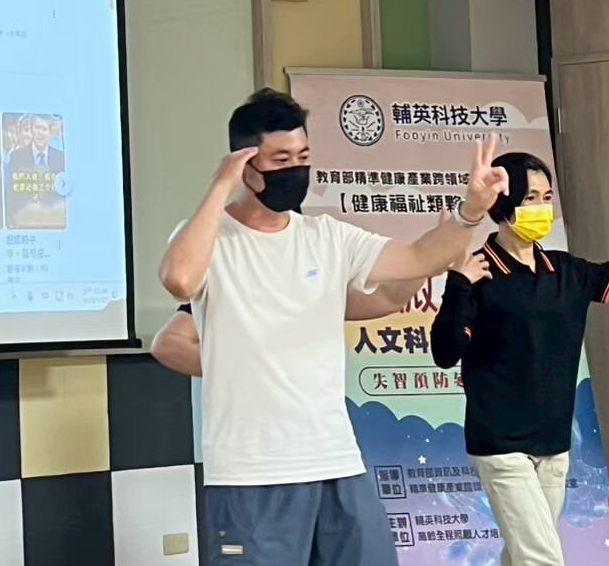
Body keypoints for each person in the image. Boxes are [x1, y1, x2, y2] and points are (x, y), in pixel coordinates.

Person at [159, 89, 507, 566]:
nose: (296, 170)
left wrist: (471, 211)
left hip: (336, 460)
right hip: (251, 471)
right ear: (244, 164)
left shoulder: (327, 236)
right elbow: (179, 279)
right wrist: (220, 186)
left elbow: (420, 257)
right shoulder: (209, 237)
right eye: (281, 159)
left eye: (303, 156)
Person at [431, 148, 609, 566]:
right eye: (530, 197)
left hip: (553, 445)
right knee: (541, 559)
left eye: (547, 197)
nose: (541, 208)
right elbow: (445, 352)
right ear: (503, 204)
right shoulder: (478, 272)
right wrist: (459, 282)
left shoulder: (568, 271)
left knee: (522, 557)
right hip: (501, 446)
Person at [151, 277, 425, 377]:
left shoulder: (311, 287)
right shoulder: (226, 284)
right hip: (253, 442)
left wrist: (432, 256)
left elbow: (388, 298)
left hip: (321, 437)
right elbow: (168, 344)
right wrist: (247, 372)